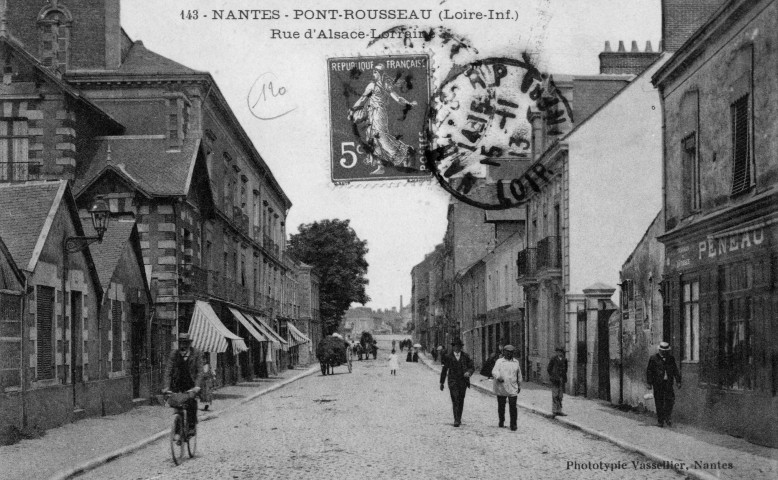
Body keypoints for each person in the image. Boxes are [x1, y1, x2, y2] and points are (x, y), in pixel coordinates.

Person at [163, 333, 204, 436]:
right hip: (177, 384)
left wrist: (197, 386)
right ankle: (178, 424)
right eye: (181, 343)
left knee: (191, 402)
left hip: (191, 384)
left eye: (185, 343)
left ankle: (191, 426)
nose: (183, 346)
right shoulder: (174, 354)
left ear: (189, 344)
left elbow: (200, 371)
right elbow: (168, 371)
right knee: (176, 402)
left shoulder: (196, 353)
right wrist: (166, 387)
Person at [439, 338, 475, 427]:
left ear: (461, 347)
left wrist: (469, 372)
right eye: (455, 346)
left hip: (463, 381)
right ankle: (456, 420)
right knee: (455, 399)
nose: (457, 348)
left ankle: (459, 417)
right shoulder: (448, 357)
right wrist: (442, 383)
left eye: (459, 346)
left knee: (461, 400)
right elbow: (444, 370)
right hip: (453, 381)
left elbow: (471, 367)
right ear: (453, 347)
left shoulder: (465, 356)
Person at [646, 341, 682, 427]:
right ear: (659, 350)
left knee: (670, 400)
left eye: (666, 351)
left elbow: (675, 370)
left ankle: (667, 417)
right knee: (659, 402)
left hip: (668, 383)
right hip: (658, 384)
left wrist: (678, 381)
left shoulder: (671, 358)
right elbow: (649, 371)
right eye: (662, 350)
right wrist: (649, 383)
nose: (664, 352)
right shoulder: (653, 358)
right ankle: (660, 421)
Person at [492, 345, 522, 430]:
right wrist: (498, 377)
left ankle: (513, 424)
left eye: (511, 352)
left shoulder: (516, 362)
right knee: (501, 406)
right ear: (504, 352)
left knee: (513, 406)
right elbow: (494, 371)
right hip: (501, 387)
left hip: (513, 387)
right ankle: (501, 421)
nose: (509, 354)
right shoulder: (499, 361)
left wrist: (519, 385)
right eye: (507, 352)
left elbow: (519, 374)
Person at [547, 346, 568, 416]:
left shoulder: (565, 360)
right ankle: (554, 410)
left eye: (561, 352)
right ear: (557, 352)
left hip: (561, 379)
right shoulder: (553, 359)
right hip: (555, 379)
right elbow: (549, 368)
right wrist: (553, 375)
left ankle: (559, 410)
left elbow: (566, 369)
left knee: (560, 396)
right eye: (558, 352)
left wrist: (563, 376)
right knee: (555, 395)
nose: (560, 353)